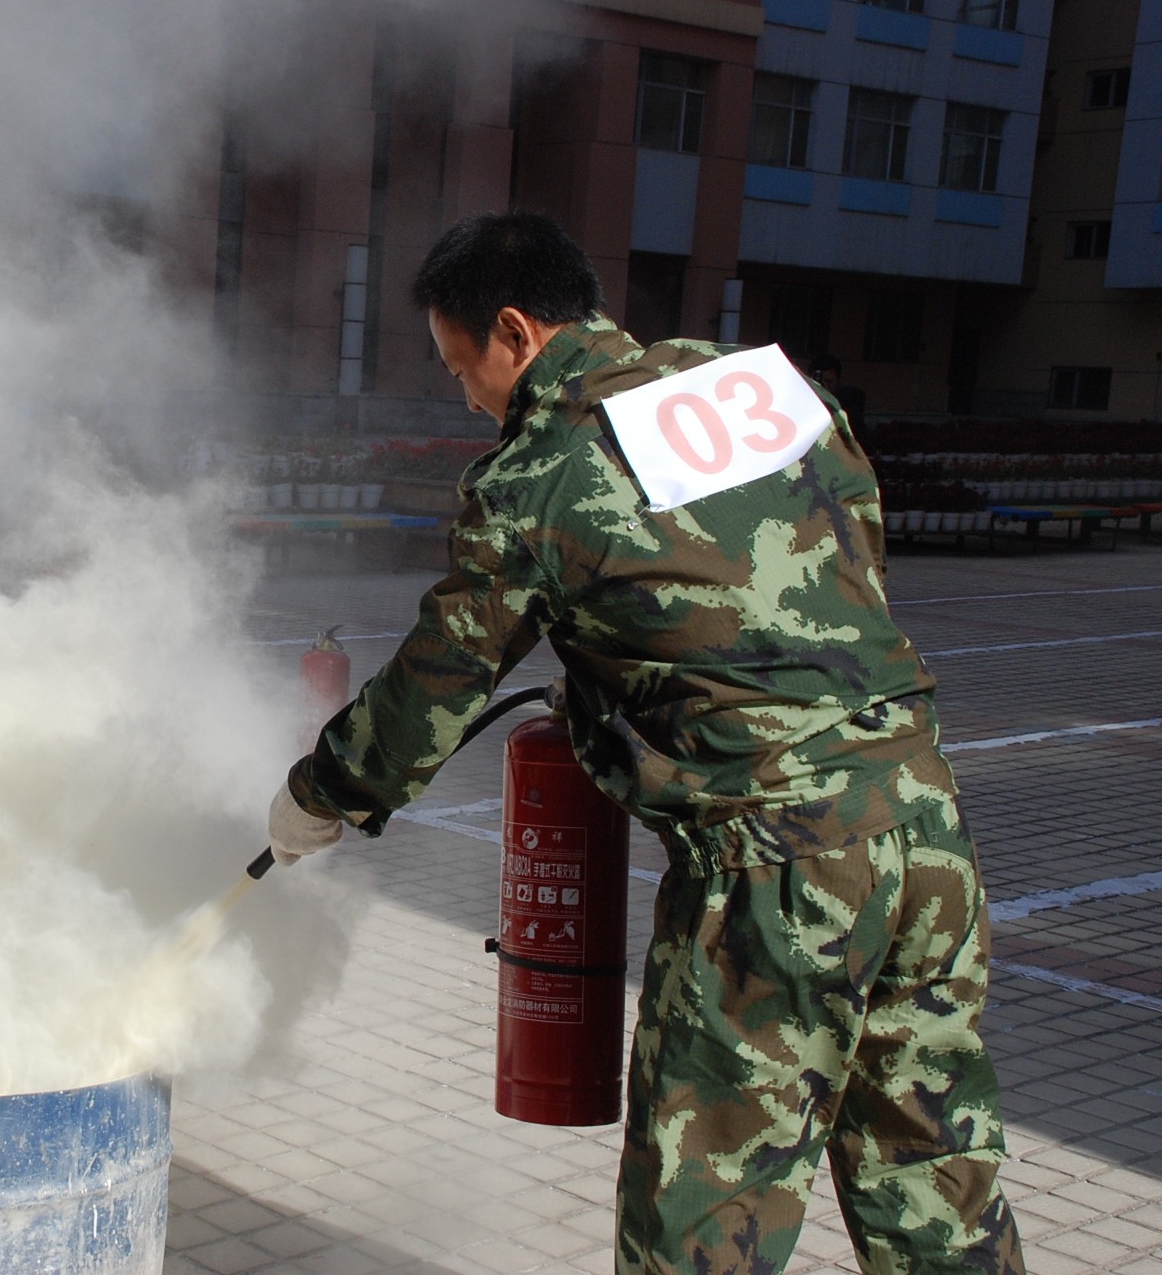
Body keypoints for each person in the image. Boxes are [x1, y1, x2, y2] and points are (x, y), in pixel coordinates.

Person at [265, 211, 1024, 1275]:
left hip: (775, 871)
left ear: (516, 332)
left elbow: (438, 681)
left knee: (705, 1222)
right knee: (933, 1180)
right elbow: (847, 540)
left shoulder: (538, 475)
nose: (467, 396)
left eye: (460, 367)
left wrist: (322, 791)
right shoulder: (755, 385)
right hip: (922, 820)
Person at [809, 353, 867, 425]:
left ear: (838, 381)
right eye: (818, 382)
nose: (822, 386)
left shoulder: (850, 399)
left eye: (828, 382)